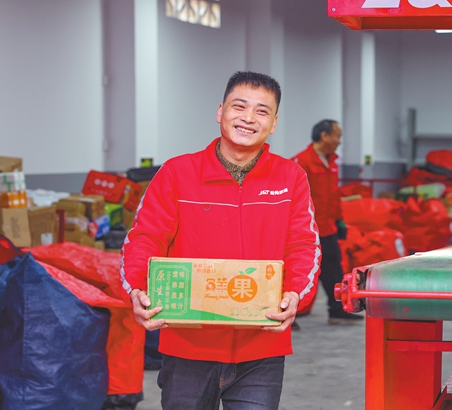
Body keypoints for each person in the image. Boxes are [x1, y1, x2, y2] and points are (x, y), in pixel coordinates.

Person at [121, 71, 322, 410]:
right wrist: (138, 288)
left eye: (262, 111)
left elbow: (304, 244)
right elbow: (145, 237)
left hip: (261, 347)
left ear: (273, 123)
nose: (248, 118)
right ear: (220, 112)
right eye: (239, 106)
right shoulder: (177, 173)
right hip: (188, 345)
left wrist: (296, 294)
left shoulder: (290, 177)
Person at [293, 120, 363, 325]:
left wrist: (339, 220)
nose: (339, 142)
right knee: (298, 271)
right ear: (324, 135)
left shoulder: (331, 163)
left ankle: (337, 310)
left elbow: (334, 195)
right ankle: (288, 314)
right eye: (337, 136)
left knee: (334, 270)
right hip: (306, 230)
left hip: (327, 227)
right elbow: (293, 198)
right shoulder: (301, 162)